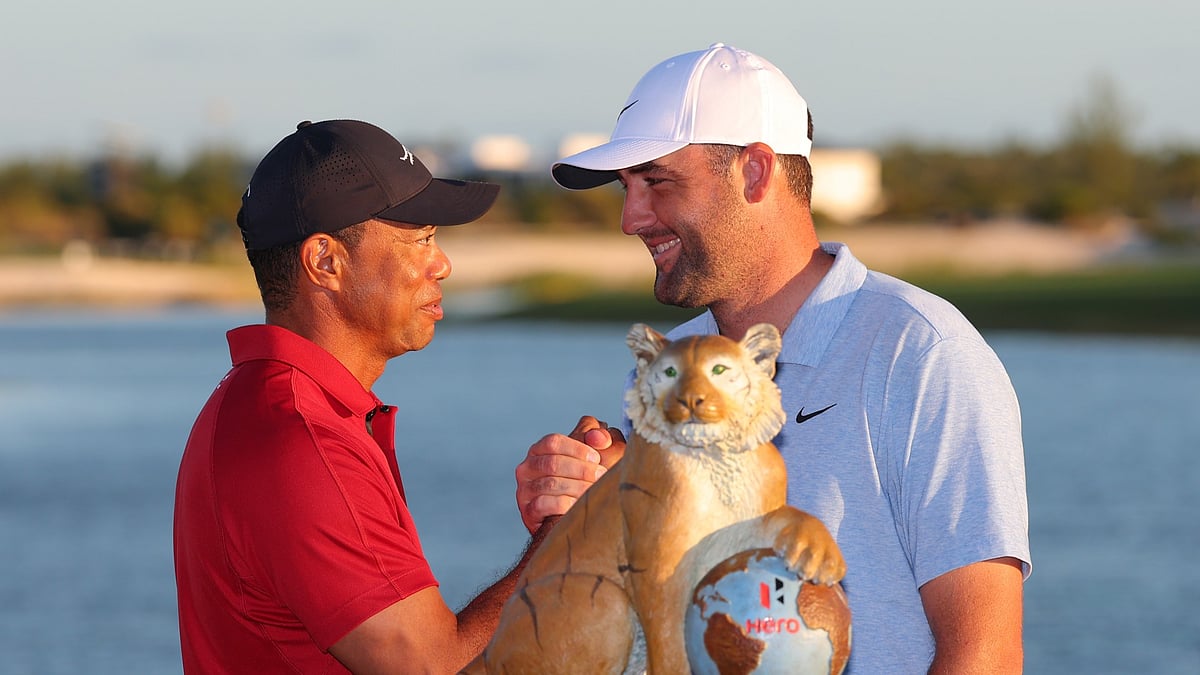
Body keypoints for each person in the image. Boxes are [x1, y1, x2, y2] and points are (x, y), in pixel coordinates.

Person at [516, 43, 1031, 673]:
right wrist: (578, 521)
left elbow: (985, 655)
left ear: (756, 173)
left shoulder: (922, 353)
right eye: (626, 188)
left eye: (657, 181)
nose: (630, 218)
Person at [173, 119, 562, 674]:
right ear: (326, 262)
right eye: (420, 238)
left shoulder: (260, 405)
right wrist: (569, 532)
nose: (443, 263)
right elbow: (435, 667)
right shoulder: (302, 441)